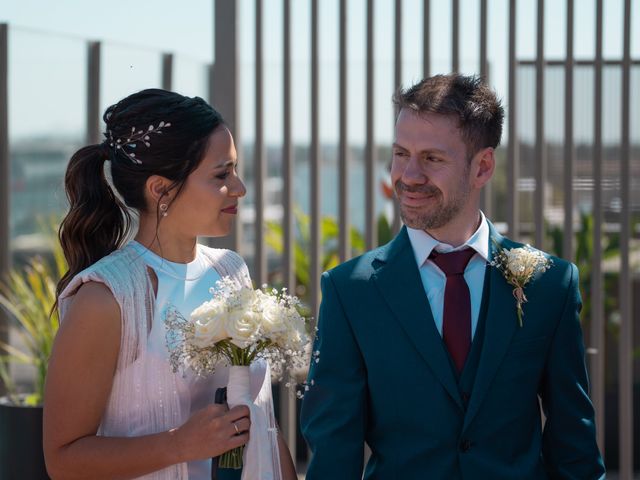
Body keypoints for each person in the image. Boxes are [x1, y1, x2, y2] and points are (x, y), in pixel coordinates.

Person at [300, 74, 605, 479]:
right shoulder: (349, 291)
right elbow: (334, 453)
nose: (408, 176)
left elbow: (574, 445)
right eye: (401, 153)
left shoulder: (550, 284)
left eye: (432, 158)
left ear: (482, 167)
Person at [43, 89, 297, 480]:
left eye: (235, 170)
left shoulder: (231, 271)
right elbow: (63, 460)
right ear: (160, 189)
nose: (240, 187)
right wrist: (180, 444)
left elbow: (261, 420)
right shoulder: (105, 298)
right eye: (221, 175)